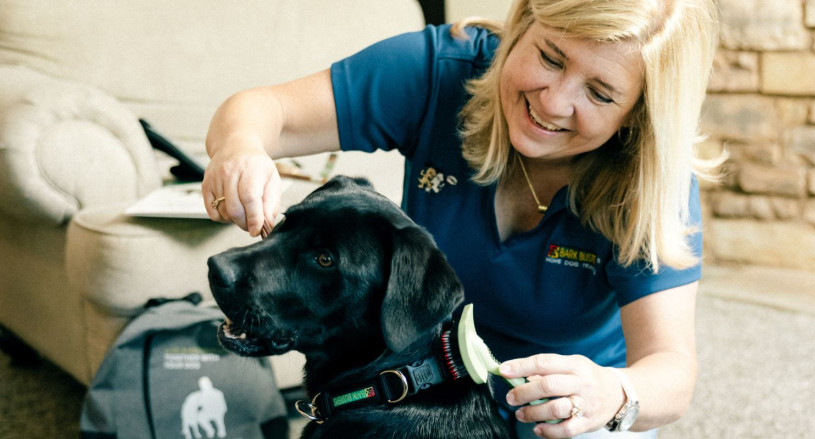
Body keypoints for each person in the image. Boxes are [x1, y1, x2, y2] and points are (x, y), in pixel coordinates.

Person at [201, 0, 721, 437]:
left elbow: (671, 372)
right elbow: (263, 110)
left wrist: (614, 393)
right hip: (422, 380)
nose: (555, 101)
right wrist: (241, 147)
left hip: (569, 413)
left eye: (600, 93)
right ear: (522, 25)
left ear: (638, 115)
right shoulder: (437, 71)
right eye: (551, 57)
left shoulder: (653, 181)